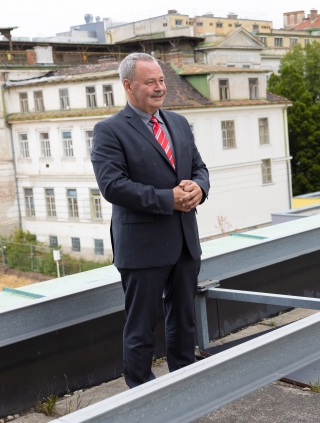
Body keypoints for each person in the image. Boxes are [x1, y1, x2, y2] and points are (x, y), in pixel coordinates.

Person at [91, 52, 210, 388]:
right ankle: (141, 398)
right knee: (141, 327)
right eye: (151, 82)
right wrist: (168, 199)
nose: (160, 88)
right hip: (142, 247)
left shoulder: (178, 122)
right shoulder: (109, 131)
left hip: (185, 241)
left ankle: (184, 386)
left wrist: (198, 188)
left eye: (162, 81)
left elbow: (199, 168)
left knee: (183, 322)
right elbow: (113, 186)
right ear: (128, 86)